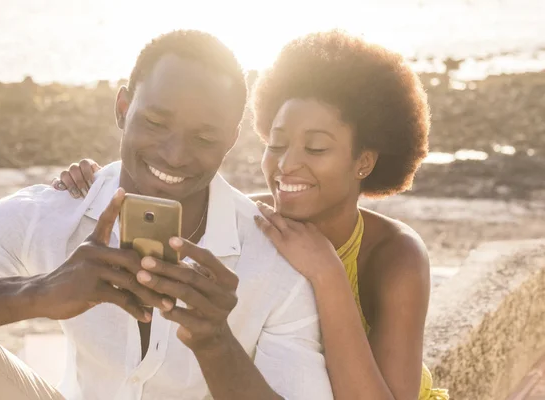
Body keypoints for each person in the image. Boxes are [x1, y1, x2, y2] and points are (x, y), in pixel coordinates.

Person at [54, 31, 449, 399]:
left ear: (363, 161)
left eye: (315, 149)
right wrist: (97, 179)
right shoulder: (248, 217)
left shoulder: (396, 256)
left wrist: (327, 273)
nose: (287, 165)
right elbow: (168, 187)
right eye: (276, 144)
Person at [0, 30, 334, 400]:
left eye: (204, 137)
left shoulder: (274, 265)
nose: (175, 155)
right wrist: (39, 292)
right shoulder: (58, 211)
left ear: (231, 141)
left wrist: (216, 342)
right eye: (155, 122)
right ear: (122, 109)